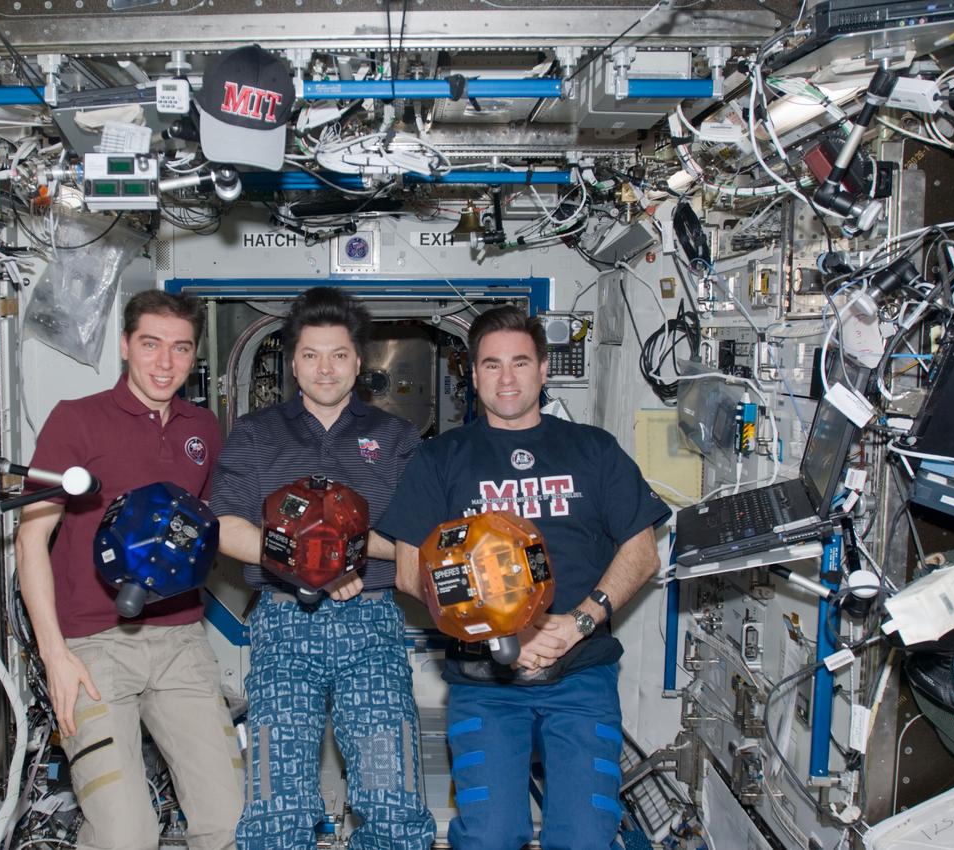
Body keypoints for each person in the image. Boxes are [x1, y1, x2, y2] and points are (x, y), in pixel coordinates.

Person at [377, 305, 669, 850]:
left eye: (519, 362)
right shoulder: (440, 458)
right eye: (490, 365)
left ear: (543, 370)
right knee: (488, 836)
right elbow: (409, 570)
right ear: (473, 374)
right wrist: (499, 631)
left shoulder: (593, 450)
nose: (506, 378)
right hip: (483, 682)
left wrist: (578, 622)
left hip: (581, 672)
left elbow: (641, 551)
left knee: (585, 837)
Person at [209, 287, 437, 850]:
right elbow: (224, 526)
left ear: (359, 362)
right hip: (284, 626)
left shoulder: (397, 439)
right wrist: (310, 562)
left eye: (338, 354)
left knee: (393, 800)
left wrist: (344, 554)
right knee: (276, 804)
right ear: (292, 362)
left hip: (372, 626)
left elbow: (417, 539)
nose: (325, 368)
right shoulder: (256, 435)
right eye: (311, 354)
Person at [15, 290, 243, 850]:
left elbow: (209, 529)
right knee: (125, 836)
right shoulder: (77, 421)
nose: (165, 363)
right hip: (92, 650)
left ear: (195, 357)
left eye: (181, 348)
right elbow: (30, 536)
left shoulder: (203, 429)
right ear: (124, 346)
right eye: (150, 344)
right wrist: (55, 656)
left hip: (180, 643)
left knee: (232, 822)